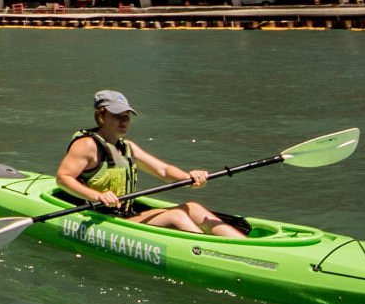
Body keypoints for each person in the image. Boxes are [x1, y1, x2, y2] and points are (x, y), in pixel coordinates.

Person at [55, 90, 245, 237]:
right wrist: (97, 195)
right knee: (176, 216)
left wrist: (190, 177)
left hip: (125, 214)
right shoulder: (86, 145)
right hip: (101, 216)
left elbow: (163, 170)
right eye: (117, 116)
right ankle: (211, 253)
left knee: (192, 207)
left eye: (127, 116)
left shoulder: (127, 147)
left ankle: (240, 247)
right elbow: (63, 178)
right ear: (102, 116)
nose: (124, 121)